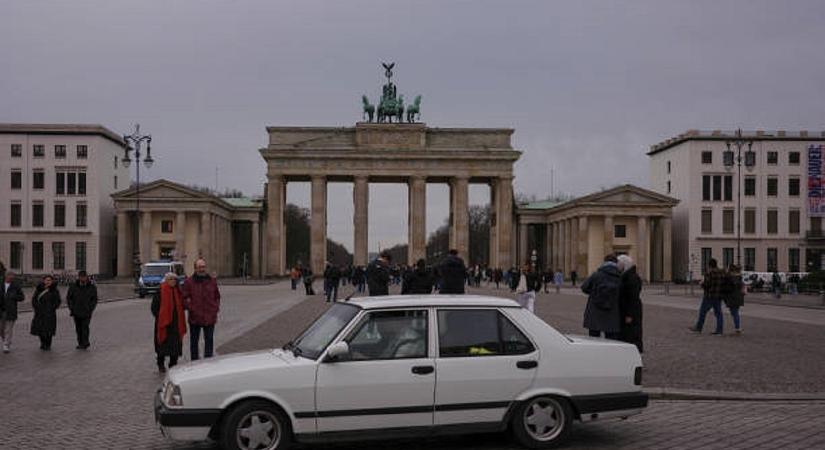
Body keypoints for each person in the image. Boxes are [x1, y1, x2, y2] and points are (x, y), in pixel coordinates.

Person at [182, 259, 221, 361]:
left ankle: (208, 362)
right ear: (195, 268)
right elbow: (184, 298)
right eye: (199, 267)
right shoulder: (189, 282)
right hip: (195, 317)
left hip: (209, 316)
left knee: (209, 340)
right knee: (194, 342)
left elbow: (217, 296)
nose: (202, 269)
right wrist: (192, 308)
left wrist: (215, 309)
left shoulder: (212, 281)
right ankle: (194, 363)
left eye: (203, 266)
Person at [152, 273, 187, 373]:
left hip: (176, 323)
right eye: (170, 279)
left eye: (174, 279)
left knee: (175, 345)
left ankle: (173, 364)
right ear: (166, 280)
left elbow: (182, 304)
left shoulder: (178, 291)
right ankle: (160, 363)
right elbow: (154, 307)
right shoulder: (160, 291)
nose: (172, 281)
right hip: (164, 324)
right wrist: (160, 317)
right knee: (162, 345)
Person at [581, 254, 622, 339]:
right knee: (611, 338)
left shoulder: (596, 274)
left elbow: (584, 287)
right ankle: (610, 352)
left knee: (593, 337)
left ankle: (595, 352)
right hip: (612, 310)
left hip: (595, 310)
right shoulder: (619, 276)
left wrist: (593, 293)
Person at [690, 258, 725, 335]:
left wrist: (701, 284)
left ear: (709, 265)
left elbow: (707, 285)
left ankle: (699, 327)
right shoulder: (721, 273)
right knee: (719, 313)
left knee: (703, 312)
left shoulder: (709, 273)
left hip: (709, 295)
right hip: (718, 296)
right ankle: (719, 330)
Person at [617, 255, 643, 352]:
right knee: (626, 333)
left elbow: (633, 298)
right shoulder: (625, 276)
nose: (617, 266)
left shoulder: (632, 278)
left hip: (631, 312)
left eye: (619, 264)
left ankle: (635, 353)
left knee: (632, 334)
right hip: (626, 310)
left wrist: (629, 314)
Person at [66, 270, 98, 350]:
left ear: (86, 277)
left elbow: (94, 299)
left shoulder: (91, 287)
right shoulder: (73, 286)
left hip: (86, 311)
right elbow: (69, 298)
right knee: (78, 328)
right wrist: (72, 307)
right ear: (79, 277)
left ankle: (85, 342)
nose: (82, 278)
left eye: (84, 277)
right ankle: (80, 342)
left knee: (85, 327)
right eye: (81, 277)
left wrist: (90, 308)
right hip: (76, 311)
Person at [30, 275, 61, 351]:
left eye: (49, 280)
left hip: (50, 313)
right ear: (44, 281)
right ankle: (42, 343)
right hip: (40, 313)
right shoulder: (39, 290)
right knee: (40, 329)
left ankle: (48, 344)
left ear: (52, 281)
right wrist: (37, 307)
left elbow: (58, 301)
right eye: (46, 280)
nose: (48, 281)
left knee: (49, 329)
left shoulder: (55, 290)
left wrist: (52, 308)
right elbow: (34, 300)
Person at [1, 271, 25, 353]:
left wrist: (14, 296)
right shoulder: (1, 284)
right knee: (1, 329)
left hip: (11, 311)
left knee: (8, 329)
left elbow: (22, 297)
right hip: (1, 310)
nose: (11, 277)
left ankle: (6, 345)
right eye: (9, 275)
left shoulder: (16, 286)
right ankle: (6, 340)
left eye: (12, 276)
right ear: (5, 276)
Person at [724, 264, 745, 334]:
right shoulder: (739, 277)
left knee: (734, 312)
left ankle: (737, 327)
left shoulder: (730, 277)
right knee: (735, 312)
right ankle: (737, 326)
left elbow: (727, 287)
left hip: (732, 297)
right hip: (738, 297)